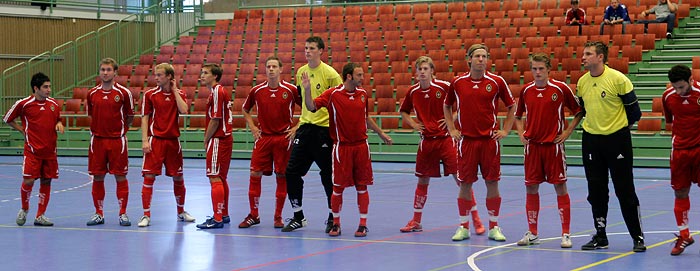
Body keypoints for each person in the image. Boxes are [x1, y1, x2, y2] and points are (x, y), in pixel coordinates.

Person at [397, 56, 485, 235]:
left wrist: (451, 120)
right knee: (422, 180)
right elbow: (404, 111)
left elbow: (463, 102)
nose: (422, 71)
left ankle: (476, 218)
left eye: (425, 68)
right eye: (419, 69)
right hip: (426, 142)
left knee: (461, 180)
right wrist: (414, 124)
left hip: (445, 140)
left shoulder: (444, 87)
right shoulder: (413, 91)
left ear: (432, 71)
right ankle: (416, 221)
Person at [302, 62, 392, 237]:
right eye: (359, 75)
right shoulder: (333, 94)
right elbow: (311, 107)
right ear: (349, 76)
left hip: (361, 147)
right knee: (338, 187)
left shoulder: (363, 94)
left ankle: (363, 224)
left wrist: (381, 133)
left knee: (362, 186)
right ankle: (335, 223)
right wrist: (306, 90)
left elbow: (366, 118)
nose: (363, 78)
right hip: (342, 148)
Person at [576, 41, 645, 252]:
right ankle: (600, 235)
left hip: (617, 141)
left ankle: (637, 236)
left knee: (625, 190)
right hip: (591, 141)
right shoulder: (582, 82)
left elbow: (635, 114)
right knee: (596, 191)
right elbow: (583, 110)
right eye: (584, 53)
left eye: (588, 54)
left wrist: (617, 130)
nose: (583, 57)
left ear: (600, 57)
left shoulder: (618, 80)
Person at [443, 44, 516, 242]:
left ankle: (494, 226)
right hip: (466, 141)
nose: (481, 60)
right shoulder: (458, 82)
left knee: (492, 182)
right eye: (477, 56)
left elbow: (512, 106)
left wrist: (506, 129)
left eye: (484, 56)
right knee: (465, 183)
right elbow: (447, 105)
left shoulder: (497, 81)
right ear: (469, 59)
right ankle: (463, 226)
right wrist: (451, 129)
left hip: (489, 141)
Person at [513, 53, 583, 248]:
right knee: (531, 187)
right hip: (533, 148)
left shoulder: (560, 89)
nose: (537, 72)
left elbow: (578, 111)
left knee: (560, 187)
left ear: (549, 69)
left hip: (553, 147)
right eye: (534, 69)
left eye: (541, 69)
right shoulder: (526, 90)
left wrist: (567, 132)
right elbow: (518, 116)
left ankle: (566, 233)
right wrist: (521, 135)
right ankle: (533, 232)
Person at [282, 36, 343, 233]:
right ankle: (298, 215)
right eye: (306, 47)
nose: (307, 51)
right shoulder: (301, 72)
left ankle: (333, 216)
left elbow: (339, 102)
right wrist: (299, 123)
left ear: (321, 51)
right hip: (305, 129)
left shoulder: (331, 74)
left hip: (324, 131)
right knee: (291, 172)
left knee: (327, 176)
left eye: (312, 48)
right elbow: (304, 102)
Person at [238, 56, 300, 229]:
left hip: (283, 139)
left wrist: (297, 127)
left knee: (282, 176)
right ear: (265, 69)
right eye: (268, 66)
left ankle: (278, 216)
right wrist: (252, 126)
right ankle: (254, 214)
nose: (271, 69)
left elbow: (309, 109)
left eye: (274, 66)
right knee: (255, 174)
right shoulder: (257, 90)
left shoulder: (291, 89)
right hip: (263, 138)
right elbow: (245, 109)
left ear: (281, 69)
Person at [136, 63, 196, 227]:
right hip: (155, 141)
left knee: (178, 177)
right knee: (149, 177)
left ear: (169, 77)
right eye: (155, 75)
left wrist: (175, 90)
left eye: (160, 75)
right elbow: (145, 117)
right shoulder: (150, 95)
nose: (156, 78)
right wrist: (144, 140)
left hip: (173, 142)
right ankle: (146, 215)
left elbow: (184, 110)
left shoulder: (180, 93)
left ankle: (181, 212)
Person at [4, 72, 64, 227]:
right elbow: (7, 118)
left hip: (50, 152)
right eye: (45, 87)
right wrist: (22, 130)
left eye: (50, 86)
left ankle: (40, 215)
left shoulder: (54, 104)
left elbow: (58, 118)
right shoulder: (24, 104)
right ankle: (24, 208)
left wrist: (59, 124)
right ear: (36, 88)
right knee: (29, 180)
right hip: (32, 151)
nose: (49, 90)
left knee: (46, 180)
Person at [86, 58, 135, 226]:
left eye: (108, 70)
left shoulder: (123, 93)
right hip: (97, 141)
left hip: (117, 142)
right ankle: (98, 213)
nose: (105, 73)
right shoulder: (92, 93)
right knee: (97, 177)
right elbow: (91, 114)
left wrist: (119, 131)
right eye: (102, 69)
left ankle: (123, 213)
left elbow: (130, 117)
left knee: (120, 177)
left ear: (115, 72)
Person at [662, 64, 700, 255]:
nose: (678, 91)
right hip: (679, 151)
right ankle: (685, 234)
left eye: (682, 87)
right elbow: (670, 122)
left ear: (691, 81)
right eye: (675, 87)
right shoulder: (668, 97)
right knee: (680, 192)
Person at [196, 63, 233, 229]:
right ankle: (223, 214)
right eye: (201, 73)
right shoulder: (216, 92)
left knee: (214, 176)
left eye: (205, 73)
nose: (202, 75)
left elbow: (215, 119)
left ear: (215, 76)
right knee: (221, 177)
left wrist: (206, 138)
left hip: (218, 138)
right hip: (224, 139)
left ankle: (217, 218)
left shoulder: (217, 91)